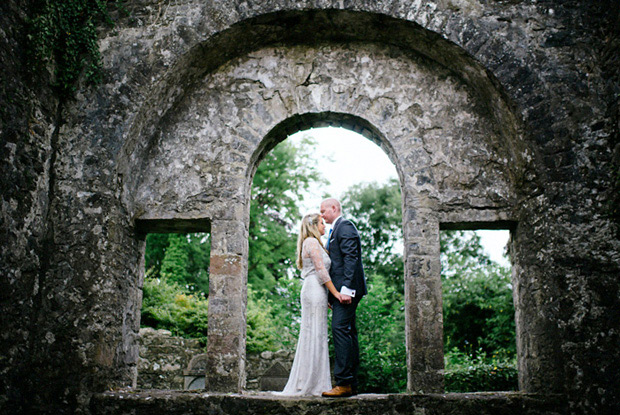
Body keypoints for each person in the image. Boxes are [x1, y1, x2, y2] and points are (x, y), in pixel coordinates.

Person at [276, 213, 343, 396]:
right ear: (314, 225)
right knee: (313, 333)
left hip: (318, 290)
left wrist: (327, 295)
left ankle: (313, 381)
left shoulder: (314, 243)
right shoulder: (311, 242)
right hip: (314, 288)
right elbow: (321, 271)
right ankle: (309, 383)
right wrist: (335, 294)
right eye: (322, 223)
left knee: (318, 334)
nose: (324, 226)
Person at [320, 198, 367, 398]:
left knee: (339, 329)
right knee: (349, 332)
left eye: (323, 210)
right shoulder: (335, 230)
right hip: (340, 292)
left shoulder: (345, 226)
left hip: (347, 291)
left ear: (334, 208)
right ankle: (351, 383)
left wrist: (346, 289)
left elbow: (351, 258)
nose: (321, 214)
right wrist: (333, 294)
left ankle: (344, 382)